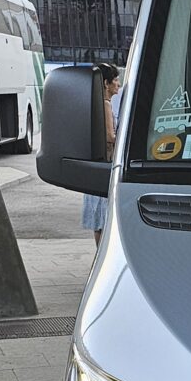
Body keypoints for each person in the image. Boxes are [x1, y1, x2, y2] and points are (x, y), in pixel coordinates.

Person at [82, 64, 121, 247]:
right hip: (105, 165)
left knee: (99, 221)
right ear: (106, 83)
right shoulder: (105, 105)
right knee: (102, 220)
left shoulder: (95, 103)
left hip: (97, 165)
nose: (118, 84)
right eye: (115, 80)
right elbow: (110, 137)